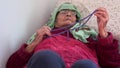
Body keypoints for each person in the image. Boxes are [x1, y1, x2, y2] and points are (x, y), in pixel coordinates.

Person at [6, 2, 120, 68]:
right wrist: (34, 43)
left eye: (73, 14)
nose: (69, 14)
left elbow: (112, 64)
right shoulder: (43, 34)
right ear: (54, 20)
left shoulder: (89, 36)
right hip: (47, 62)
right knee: (46, 57)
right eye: (64, 12)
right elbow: (12, 65)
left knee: (86, 66)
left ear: (78, 20)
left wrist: (103, 33)